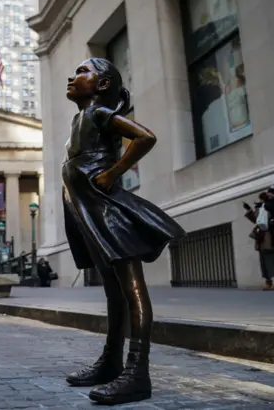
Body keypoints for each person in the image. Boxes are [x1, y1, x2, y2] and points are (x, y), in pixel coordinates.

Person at [61, 58, 186, 405]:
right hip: (88, 212)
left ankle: (136, 373)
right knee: (114, 293)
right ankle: (111, 362)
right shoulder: (80, 118)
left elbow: (145, 137)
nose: (73, 76)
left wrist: (113, 173)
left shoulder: (101, 114)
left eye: (83, 71)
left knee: (132, 290)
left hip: (108, 210)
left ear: (102, 85)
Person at [244, 194, 274, 290]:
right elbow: (256, 220)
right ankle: (268, 282)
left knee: (271, 259)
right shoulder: (261, 209)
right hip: (261, 238)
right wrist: (249, 209)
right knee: (263, 260)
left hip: (267, 237)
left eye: (260, 199)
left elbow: (264, 221)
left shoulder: (269, 208)